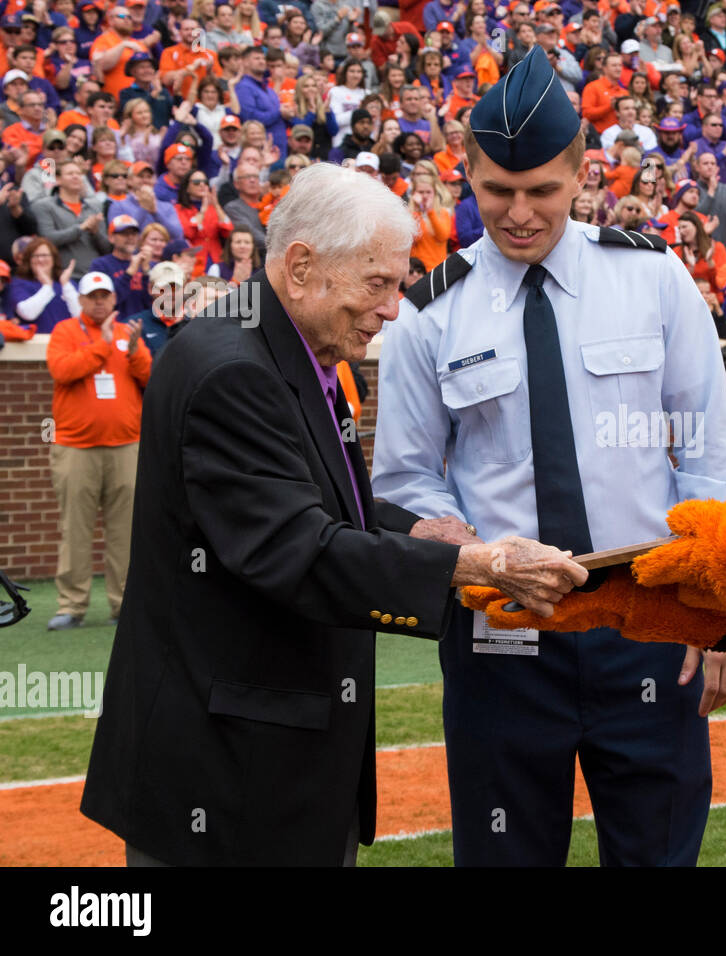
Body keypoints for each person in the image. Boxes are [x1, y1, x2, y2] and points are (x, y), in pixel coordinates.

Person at [79, 162, 587, 867]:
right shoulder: (237, 372)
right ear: (300, 268)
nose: (392, 310)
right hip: (231, 785)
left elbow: (310, 494)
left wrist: (415, 529)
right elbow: (299, 549)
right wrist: (475, 564)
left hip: (263, 768)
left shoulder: (272, 343)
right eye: (377, 284)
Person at [373, 46, 726, 867]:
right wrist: (471, 548)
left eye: (541, 190)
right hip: (500, 630)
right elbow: (402, 479)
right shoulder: (428, 316)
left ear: (582, 172)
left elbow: (708, 457)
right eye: (496, 190)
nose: (518, 213)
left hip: (648, 617)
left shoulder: (653, 279)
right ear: (466, 172)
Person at [44, 271, 151, 629]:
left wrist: (134, 353)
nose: (100, 301)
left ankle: (124, 605)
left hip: (126, 447)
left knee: (125, 531)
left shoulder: (128, 334)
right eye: (93, 296)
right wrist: (102, 345)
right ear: (83, 300)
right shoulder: (65, 332)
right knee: (76, 529)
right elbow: (62, 370)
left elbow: (150, 379)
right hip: (76, 448)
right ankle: (71, 606)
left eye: (105, 295)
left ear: (113, 299)